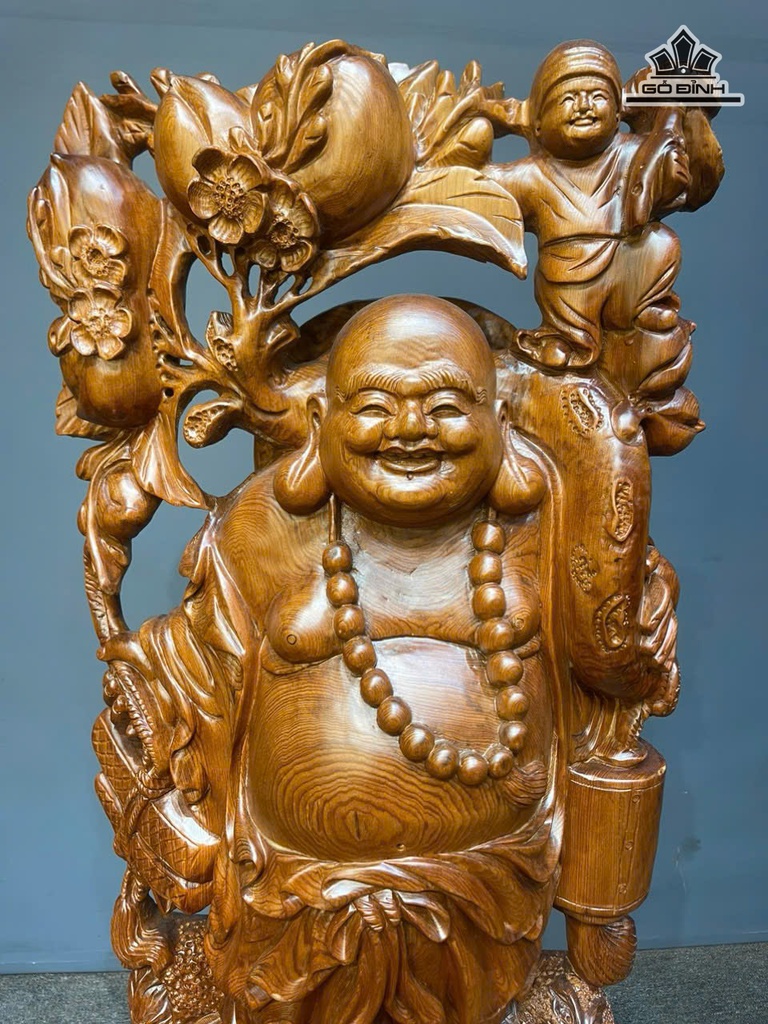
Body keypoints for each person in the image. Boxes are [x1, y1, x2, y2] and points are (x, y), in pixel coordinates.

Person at [488, 40, 691, 369]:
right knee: (569, 306)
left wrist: (671, 124)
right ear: (537, 123)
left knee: (661, 243)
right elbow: (486, 187)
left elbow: (668, 176)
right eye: (568, 99)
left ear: (618, 114)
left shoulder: (631, 153)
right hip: (568, 275)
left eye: (597, 96)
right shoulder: (533, 174)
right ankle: (568, 338)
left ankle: (646, 306)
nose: (583, 106)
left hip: (630, 267)